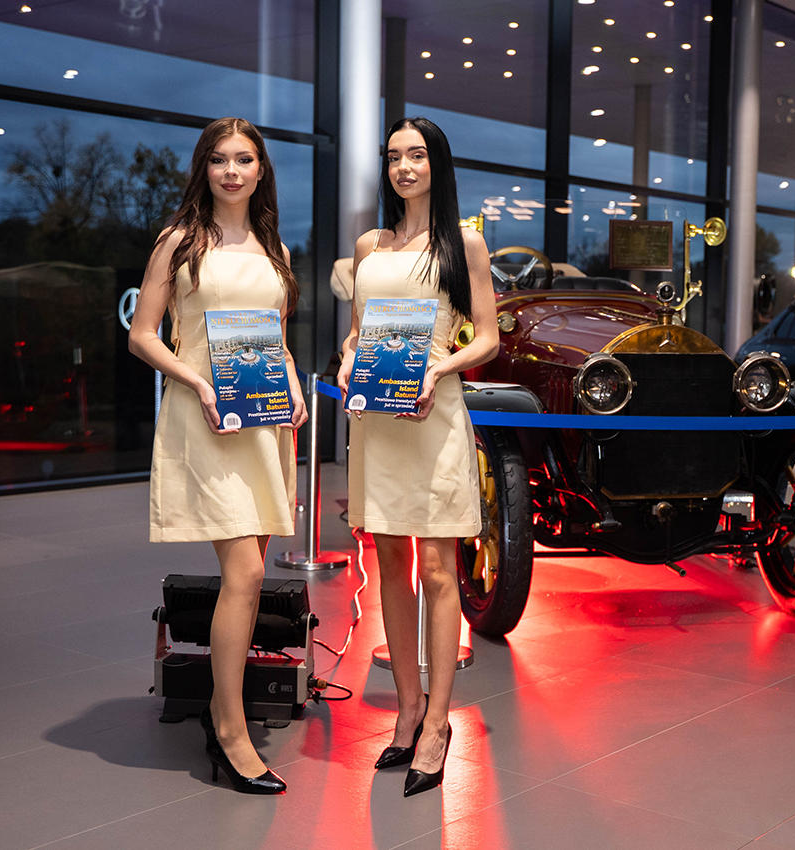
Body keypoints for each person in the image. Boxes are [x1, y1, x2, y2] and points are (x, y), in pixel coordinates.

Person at [128, 117, 307, 795]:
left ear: (261, 170)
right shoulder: (179, 241)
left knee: (249, 577)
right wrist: (197, 381)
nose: (232, 172)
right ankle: (230, 731)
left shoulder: (274, 246)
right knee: (247, 573)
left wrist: (293, 384)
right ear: (204, 169)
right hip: (205, 416)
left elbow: (276, 337)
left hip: (264, 420)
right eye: (219, 160)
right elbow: (143, 335)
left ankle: (220, 708)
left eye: (244, 160)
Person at [337, 117, 498, 797]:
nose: (404, 167)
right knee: (388, 562)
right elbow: (357, 334)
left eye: (417, 155)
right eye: (395, 156)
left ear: (438, 164)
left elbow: (487, 338)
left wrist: (439, 369)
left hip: (433, 412)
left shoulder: (464, 243)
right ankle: (406, 710)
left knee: (436, 567)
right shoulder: (369, 246)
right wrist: (347, 361)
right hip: (378, 418)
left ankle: (437, 723)